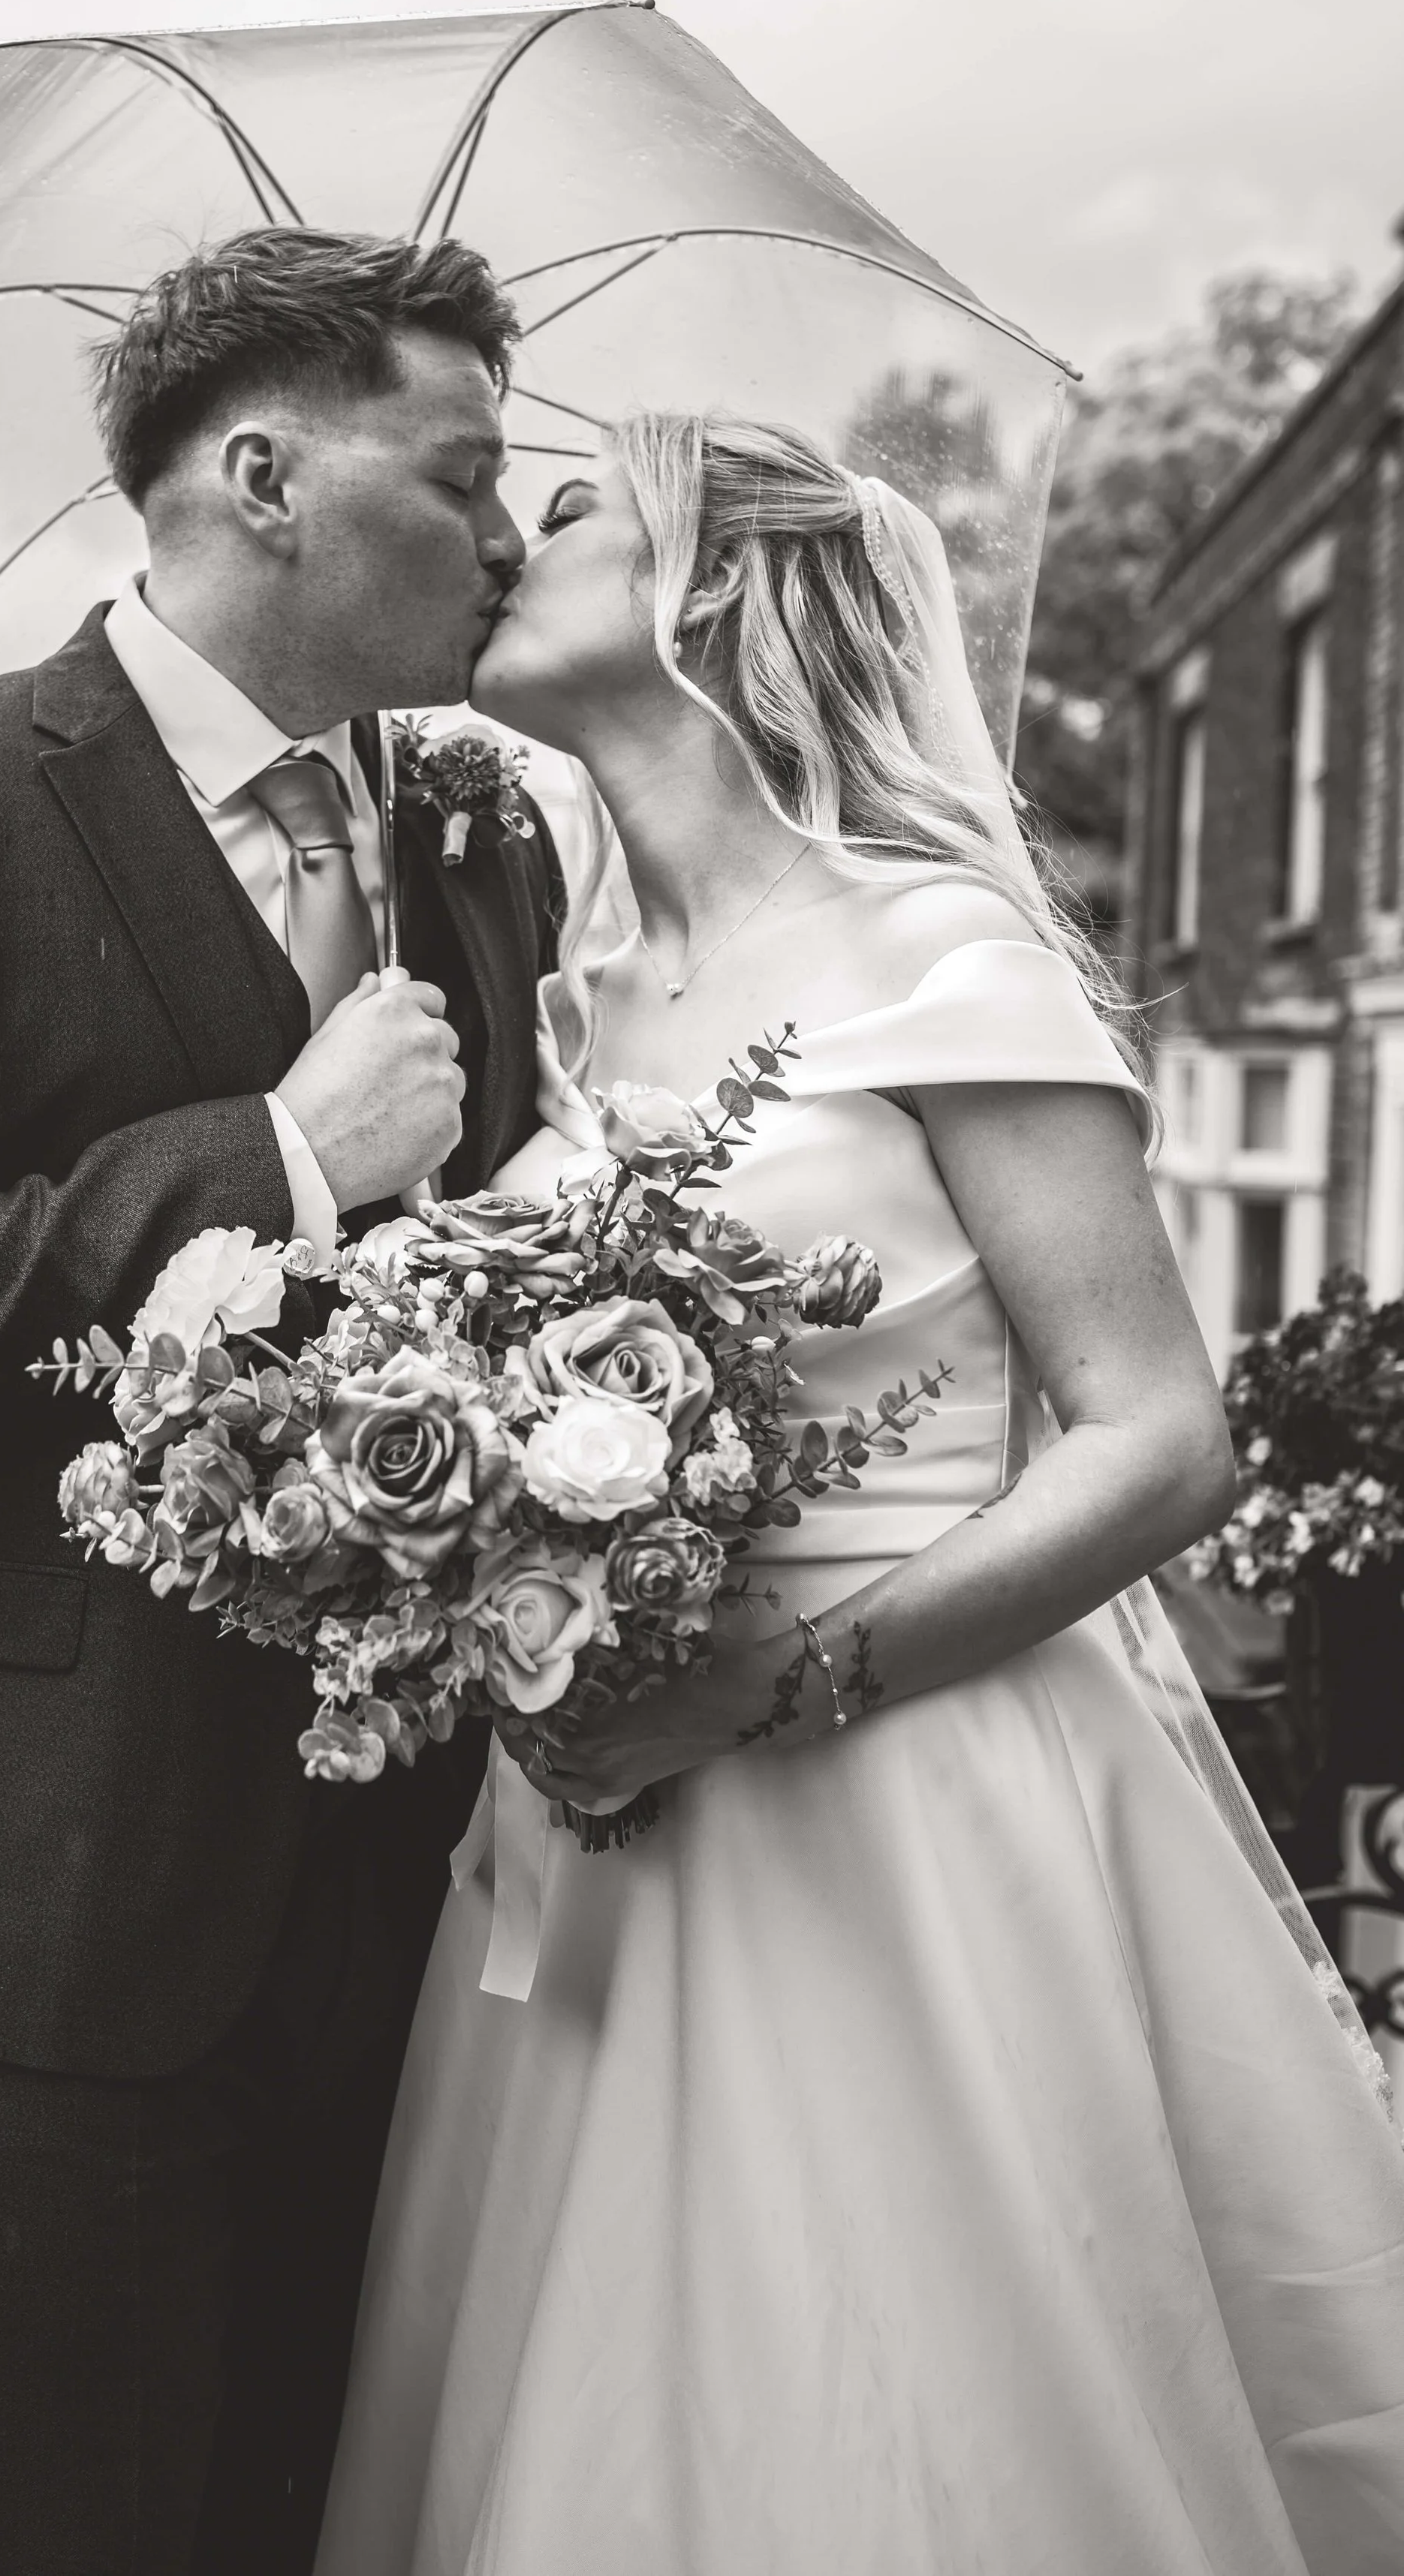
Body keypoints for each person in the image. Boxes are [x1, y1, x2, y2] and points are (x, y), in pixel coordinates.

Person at [315, 414, 1404, 2574]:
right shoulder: (576, 994)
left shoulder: (943, 956)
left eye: (564, 510)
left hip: (894, 1789)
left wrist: (772, 1679)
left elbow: (1155, 1434)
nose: (500, 542)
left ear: (711, 593)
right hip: (600, 1832)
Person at [0, 226, 562, 2576]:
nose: (510, 535)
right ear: (260, 474)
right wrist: (271, 1158)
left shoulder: (471, 843)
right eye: (464, 470)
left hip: (403, 1869)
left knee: (313, 2514)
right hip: (39, 1880)